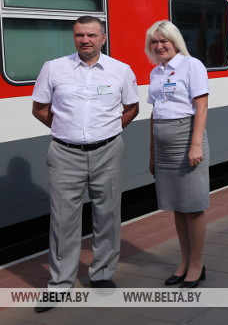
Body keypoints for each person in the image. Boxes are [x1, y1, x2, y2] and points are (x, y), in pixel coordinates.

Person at [31, 16, 139, 312]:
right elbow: (39, 108)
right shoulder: (54, 68)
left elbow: (132, 108)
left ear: (103, 38)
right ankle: (60, 285)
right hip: (65, 153)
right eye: (80, 35)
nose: (85, 40)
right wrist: (66, 129)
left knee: (108, 213)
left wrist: (109, 131)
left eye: (91, 35)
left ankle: (102, 274)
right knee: (63, 220)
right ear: (74, 37)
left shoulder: (121, 70)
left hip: (108, 150)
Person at [145, 20, 210, 288]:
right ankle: (183, 262)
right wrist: (152, 152)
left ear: (175, 41)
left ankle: (197, 265)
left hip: (186, 139)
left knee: (193, 207)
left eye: (164, 41)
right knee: (177, 207)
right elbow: (154, 113)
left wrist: (195, 145)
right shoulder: (156, 72)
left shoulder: (191, 65)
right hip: (163, 143)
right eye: (154, 42)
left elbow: (202, 106)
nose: (159, 46)